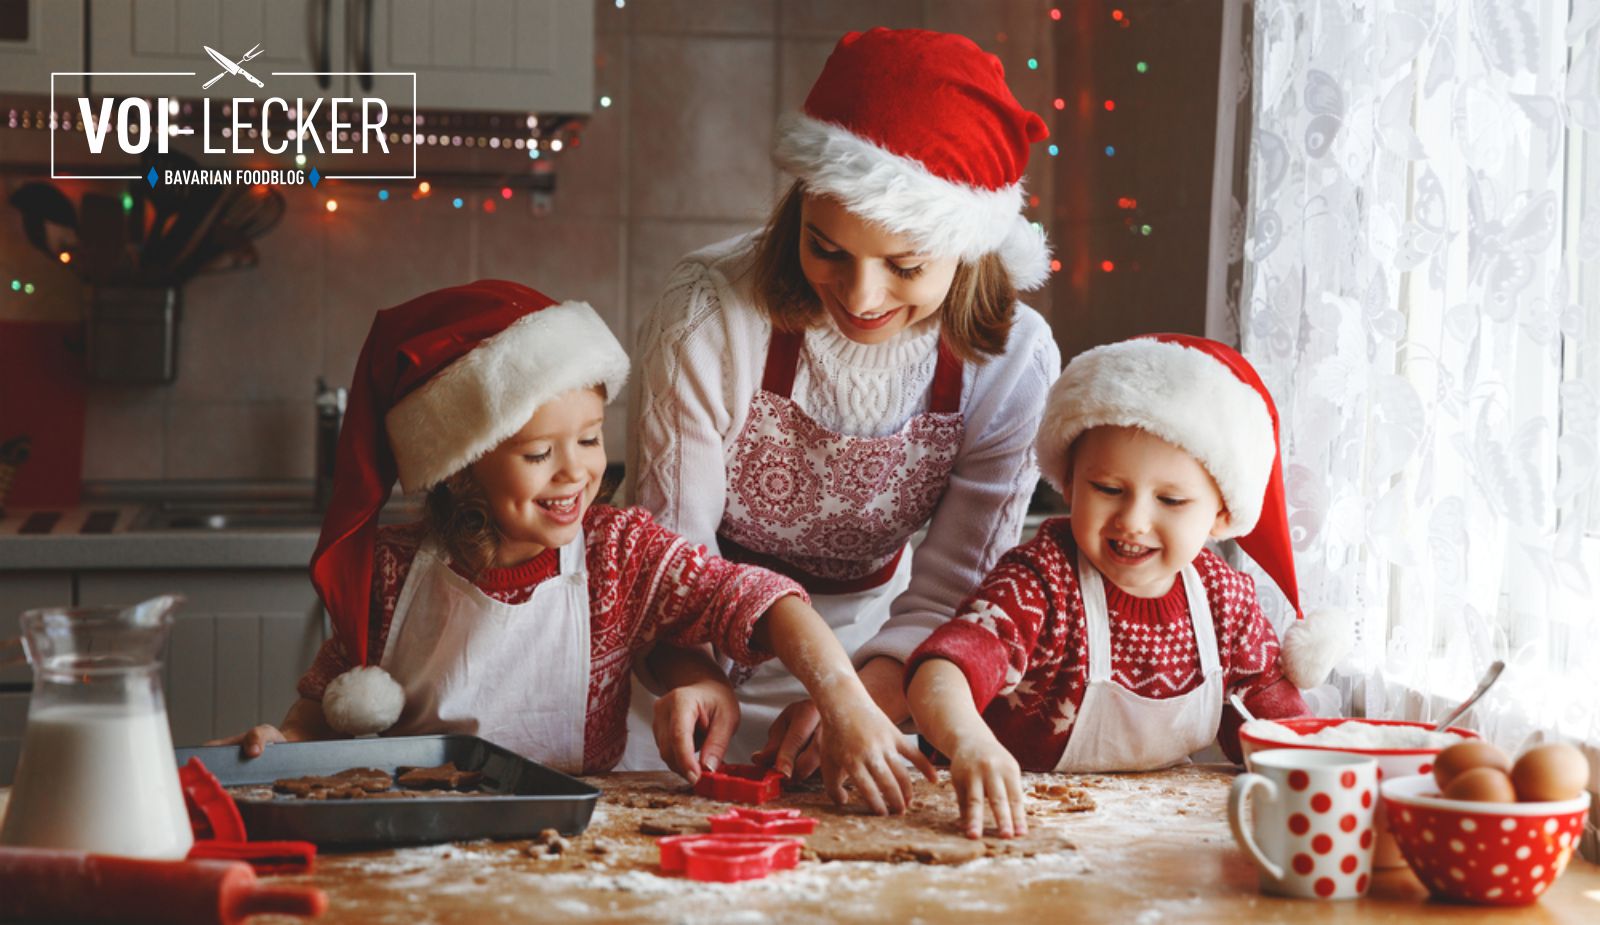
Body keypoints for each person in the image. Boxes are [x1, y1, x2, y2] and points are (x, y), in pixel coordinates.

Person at [215, 281, 934, 813]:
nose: (576, 472)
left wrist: (845, 698)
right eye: (538, 453)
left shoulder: (617, 552)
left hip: (566, 837)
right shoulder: (392, 570)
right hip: (414, 833)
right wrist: (281, 742)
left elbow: (759, 599)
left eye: (589, 439)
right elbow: (320, 710)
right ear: (464, 464)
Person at [623, 27, 1062, 776]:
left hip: (879, 652)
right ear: (800, 210)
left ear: (968, 249)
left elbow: (954, 590)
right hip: (683, 659)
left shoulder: (1013, 360)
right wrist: (691, 677)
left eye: (905, 266)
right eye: (827, 248)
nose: (860, 296)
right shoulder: (709, 315)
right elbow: (670, 561)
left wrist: (856, 698)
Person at [905, 335, 1344, 838]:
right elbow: (943, 670)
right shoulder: (1042, 581)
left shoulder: (1226, 604)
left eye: (1172, 501)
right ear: (1069, 483)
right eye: (1109, 489)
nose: (1133, 521)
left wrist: (1320, 775)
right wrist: (967, 742)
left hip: (1144, 835)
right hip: (1000, 821)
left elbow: (1274, 725)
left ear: (1221, 514)